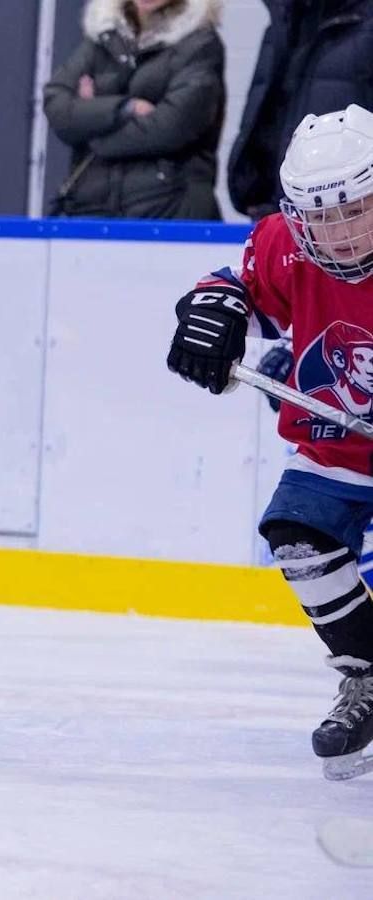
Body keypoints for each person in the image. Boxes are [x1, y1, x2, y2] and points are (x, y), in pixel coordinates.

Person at [167, 104, 373, 781]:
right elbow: (240, 290)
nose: (338, 233)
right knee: (297, 537)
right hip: (337, 445)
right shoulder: (283, 246)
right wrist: (214, 312)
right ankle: (365, 677)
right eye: (322, 215)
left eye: (355, 209)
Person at [42, 0, 225, 219]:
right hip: (92, 212)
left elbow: (168, 128)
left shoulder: (201, 45)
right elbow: (57, 105)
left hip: (169, 214)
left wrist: (92, 128)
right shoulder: (104, 36)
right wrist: (125, 108)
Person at [229, 0, 373, 221]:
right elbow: (266, 111)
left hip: (346, 218)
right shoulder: (285, 20)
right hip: (278, 209)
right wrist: (252, 185)